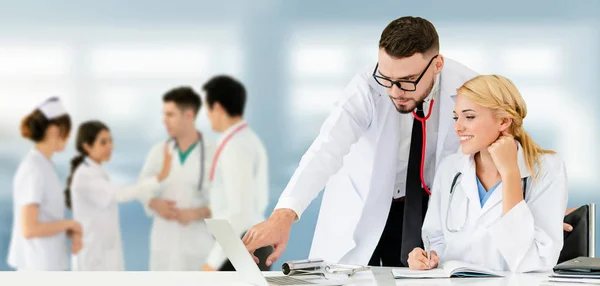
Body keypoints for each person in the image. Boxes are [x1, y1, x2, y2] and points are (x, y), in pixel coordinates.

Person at [243, 16, 478, 267]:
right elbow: (327, 147)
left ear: (437, 64)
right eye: (387, 78)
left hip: (432, 211)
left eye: (407, 81)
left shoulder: (471, 87)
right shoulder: (367, 86)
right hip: (368, 208)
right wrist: (285, 214)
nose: (395, 92)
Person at [407, 75, 568, 272]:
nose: (458, 127)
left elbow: (535, 261)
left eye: (469, 116)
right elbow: (437, 239)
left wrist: (510, 173)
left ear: (503, 121)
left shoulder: (547, 169)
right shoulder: (450, 168)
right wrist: (426, 258)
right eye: (456, 117)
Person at [67, 121, 173, 271]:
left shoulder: (96, 172)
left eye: (110, 141)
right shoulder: (86, 175)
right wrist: (158, 178)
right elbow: (119, 195)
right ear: (87, 146)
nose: (110, 146)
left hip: (102, 253)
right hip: (93, 257)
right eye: (103, 142)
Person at [137, 87, 215, 271]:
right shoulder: (159, 151)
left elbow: (227, 201)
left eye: (170, 115)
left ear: (188, 115)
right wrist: (154, 203)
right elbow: (142, 187)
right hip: (164, 240)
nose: (164, 121)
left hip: (198, 243)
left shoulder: (214, 153)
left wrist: (197, 213)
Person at [198, 76, 270, 272]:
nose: (207, 115)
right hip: (243, 244)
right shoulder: (239, 141)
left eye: (208, 109)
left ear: (218, 108)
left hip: (240, 248)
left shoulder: (237, 146)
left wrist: (212, 263)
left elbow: (240, 213)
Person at [7, 97, 82, 271]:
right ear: (54, 131)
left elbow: (46, 219)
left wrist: (66, 229)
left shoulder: (45, 165)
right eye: (67, 132)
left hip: (48, 263)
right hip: (37, 266)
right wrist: (69, 224)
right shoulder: (33, 168)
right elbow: (30, 229)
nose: (69, 137)